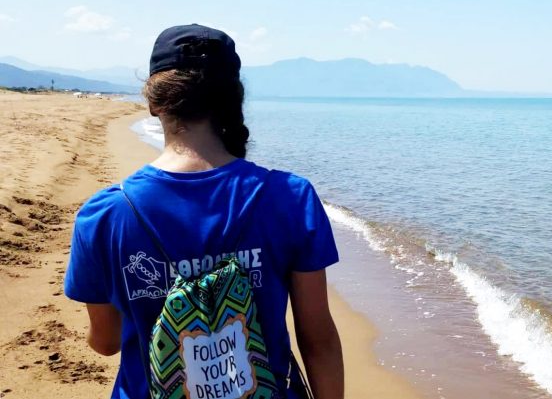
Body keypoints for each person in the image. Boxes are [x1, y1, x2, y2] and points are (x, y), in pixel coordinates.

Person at [64, 24, 345, 399]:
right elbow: (319, 340)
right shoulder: (290, 198)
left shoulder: (105, 215)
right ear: (233, 100)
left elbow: (106, 342)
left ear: (153, 104)